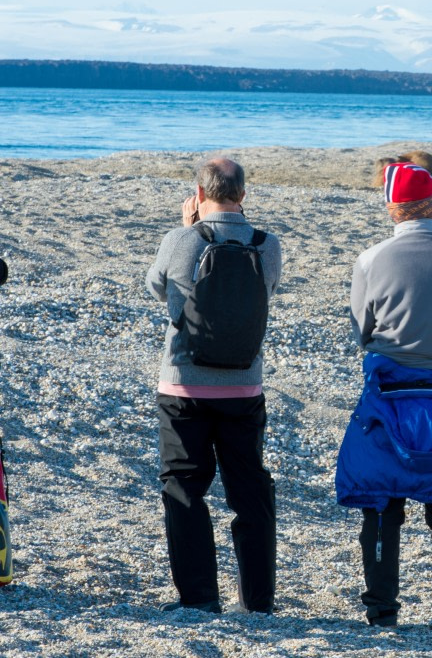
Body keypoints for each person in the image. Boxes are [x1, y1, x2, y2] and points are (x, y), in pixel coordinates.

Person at [339, 161, 432, 633]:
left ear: (392, 208)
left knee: (381, 500)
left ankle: (382, 609)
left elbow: (362, 333)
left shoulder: (371, 258)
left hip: (389, 397)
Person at [145, 157, 282, 615]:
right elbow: (265, 292)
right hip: (243, 386)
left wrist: (187, 230)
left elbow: (157, 288)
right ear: (243, 194)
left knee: (184, 488)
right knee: (250, 490)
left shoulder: (180, 239)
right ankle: (257, 600)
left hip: (184, 386)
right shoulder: (267, 244)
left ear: (200, 194)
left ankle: (200, 597)